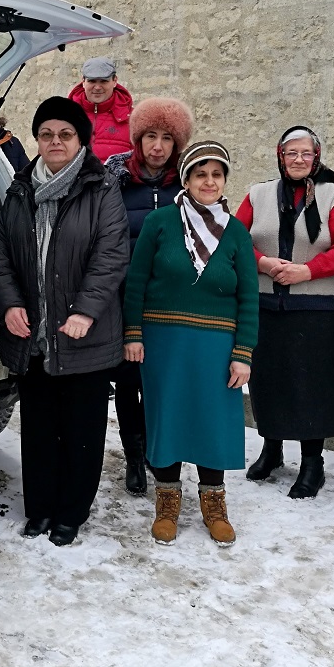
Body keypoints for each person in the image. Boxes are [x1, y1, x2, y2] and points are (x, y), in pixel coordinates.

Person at [0, 96, 129, 547]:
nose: (55, 141)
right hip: (33, 337)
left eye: (65, 134)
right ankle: (40, 509)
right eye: (47, 134)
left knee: (82, 432)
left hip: (83, 335)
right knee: (39, 429)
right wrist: (10, 304)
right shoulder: (19, 191)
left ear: (80, 141)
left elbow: (110, 257)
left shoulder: (101, 190)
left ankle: (71, 513)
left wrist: (86, 311)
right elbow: (1, 256)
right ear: (37, 139)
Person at [123, 141, 258, 546]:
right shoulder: (160, 222)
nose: (209, 181)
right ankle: (167, 502)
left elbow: (249, 296)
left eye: (217, 174)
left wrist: (243, 354)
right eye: (201, 174)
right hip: (164, 341)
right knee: (168, 417)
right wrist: (133, 333)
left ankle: (214, 505)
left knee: (211, 421)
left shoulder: (235, 232)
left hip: (217, 345)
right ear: (186, 179)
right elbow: (137, 281)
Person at [236, 126, 334, 498]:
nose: (299, 160)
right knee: (268, 379)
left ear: (317, 157)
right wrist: (261, 263)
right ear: (280, 156)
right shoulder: (257, 195)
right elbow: (237, 239)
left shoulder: (332, 195)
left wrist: (306, 270)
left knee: (315, 385)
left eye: (306, 154)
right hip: (266, 303)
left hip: (318, 306)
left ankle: (312, 462)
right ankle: (271, 449)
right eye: (291, 153)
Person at [104, 97, 194, 496]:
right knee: (127, 382)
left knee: (161, 382)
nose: (157, 146)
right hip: (125, 299)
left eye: (166, 138)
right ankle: (134, 456)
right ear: (138, 139)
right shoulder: (114, 182)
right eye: (150, 136)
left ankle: (160, 454)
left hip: (171, 304)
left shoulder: (189, 187)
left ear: (177, 145)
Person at [68, 56, 133, 161]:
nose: (97, 87)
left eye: (103, 81)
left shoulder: (132, 118)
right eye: (92, 81)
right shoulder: (66, 114)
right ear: (83, 81)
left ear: (114, 81)